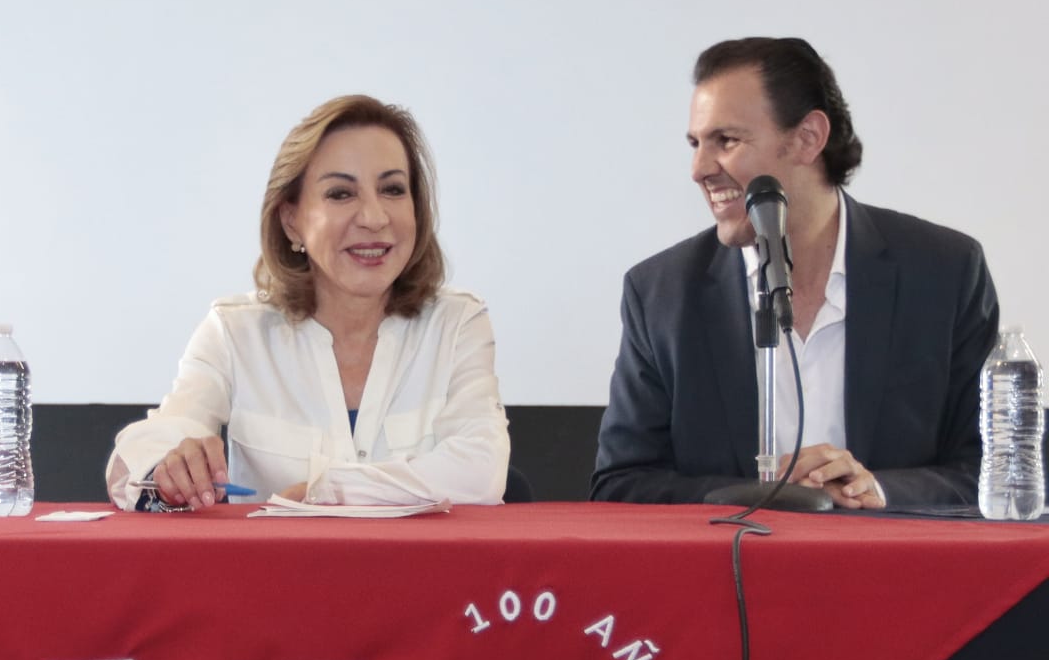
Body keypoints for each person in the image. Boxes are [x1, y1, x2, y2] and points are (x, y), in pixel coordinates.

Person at [592, 37, 998, 509]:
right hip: (727, 574)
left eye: (726, 141)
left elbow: (993, 472)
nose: (700, 169)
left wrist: (876, 490)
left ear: (808, 138)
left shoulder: (944, 272)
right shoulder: (660, 293)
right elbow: (620, 486)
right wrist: (757, 497)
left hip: (895, 576)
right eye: (695, 144)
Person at [106, 94, 509, 511]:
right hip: (275, 576)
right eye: (340, 194)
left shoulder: (458, 323)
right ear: (291, 220)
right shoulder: (235, 331)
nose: (374, 217)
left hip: (427, 576)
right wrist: (166, 469)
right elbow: (136, 459)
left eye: (392, 189)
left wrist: (329, 490)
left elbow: (480, 471)